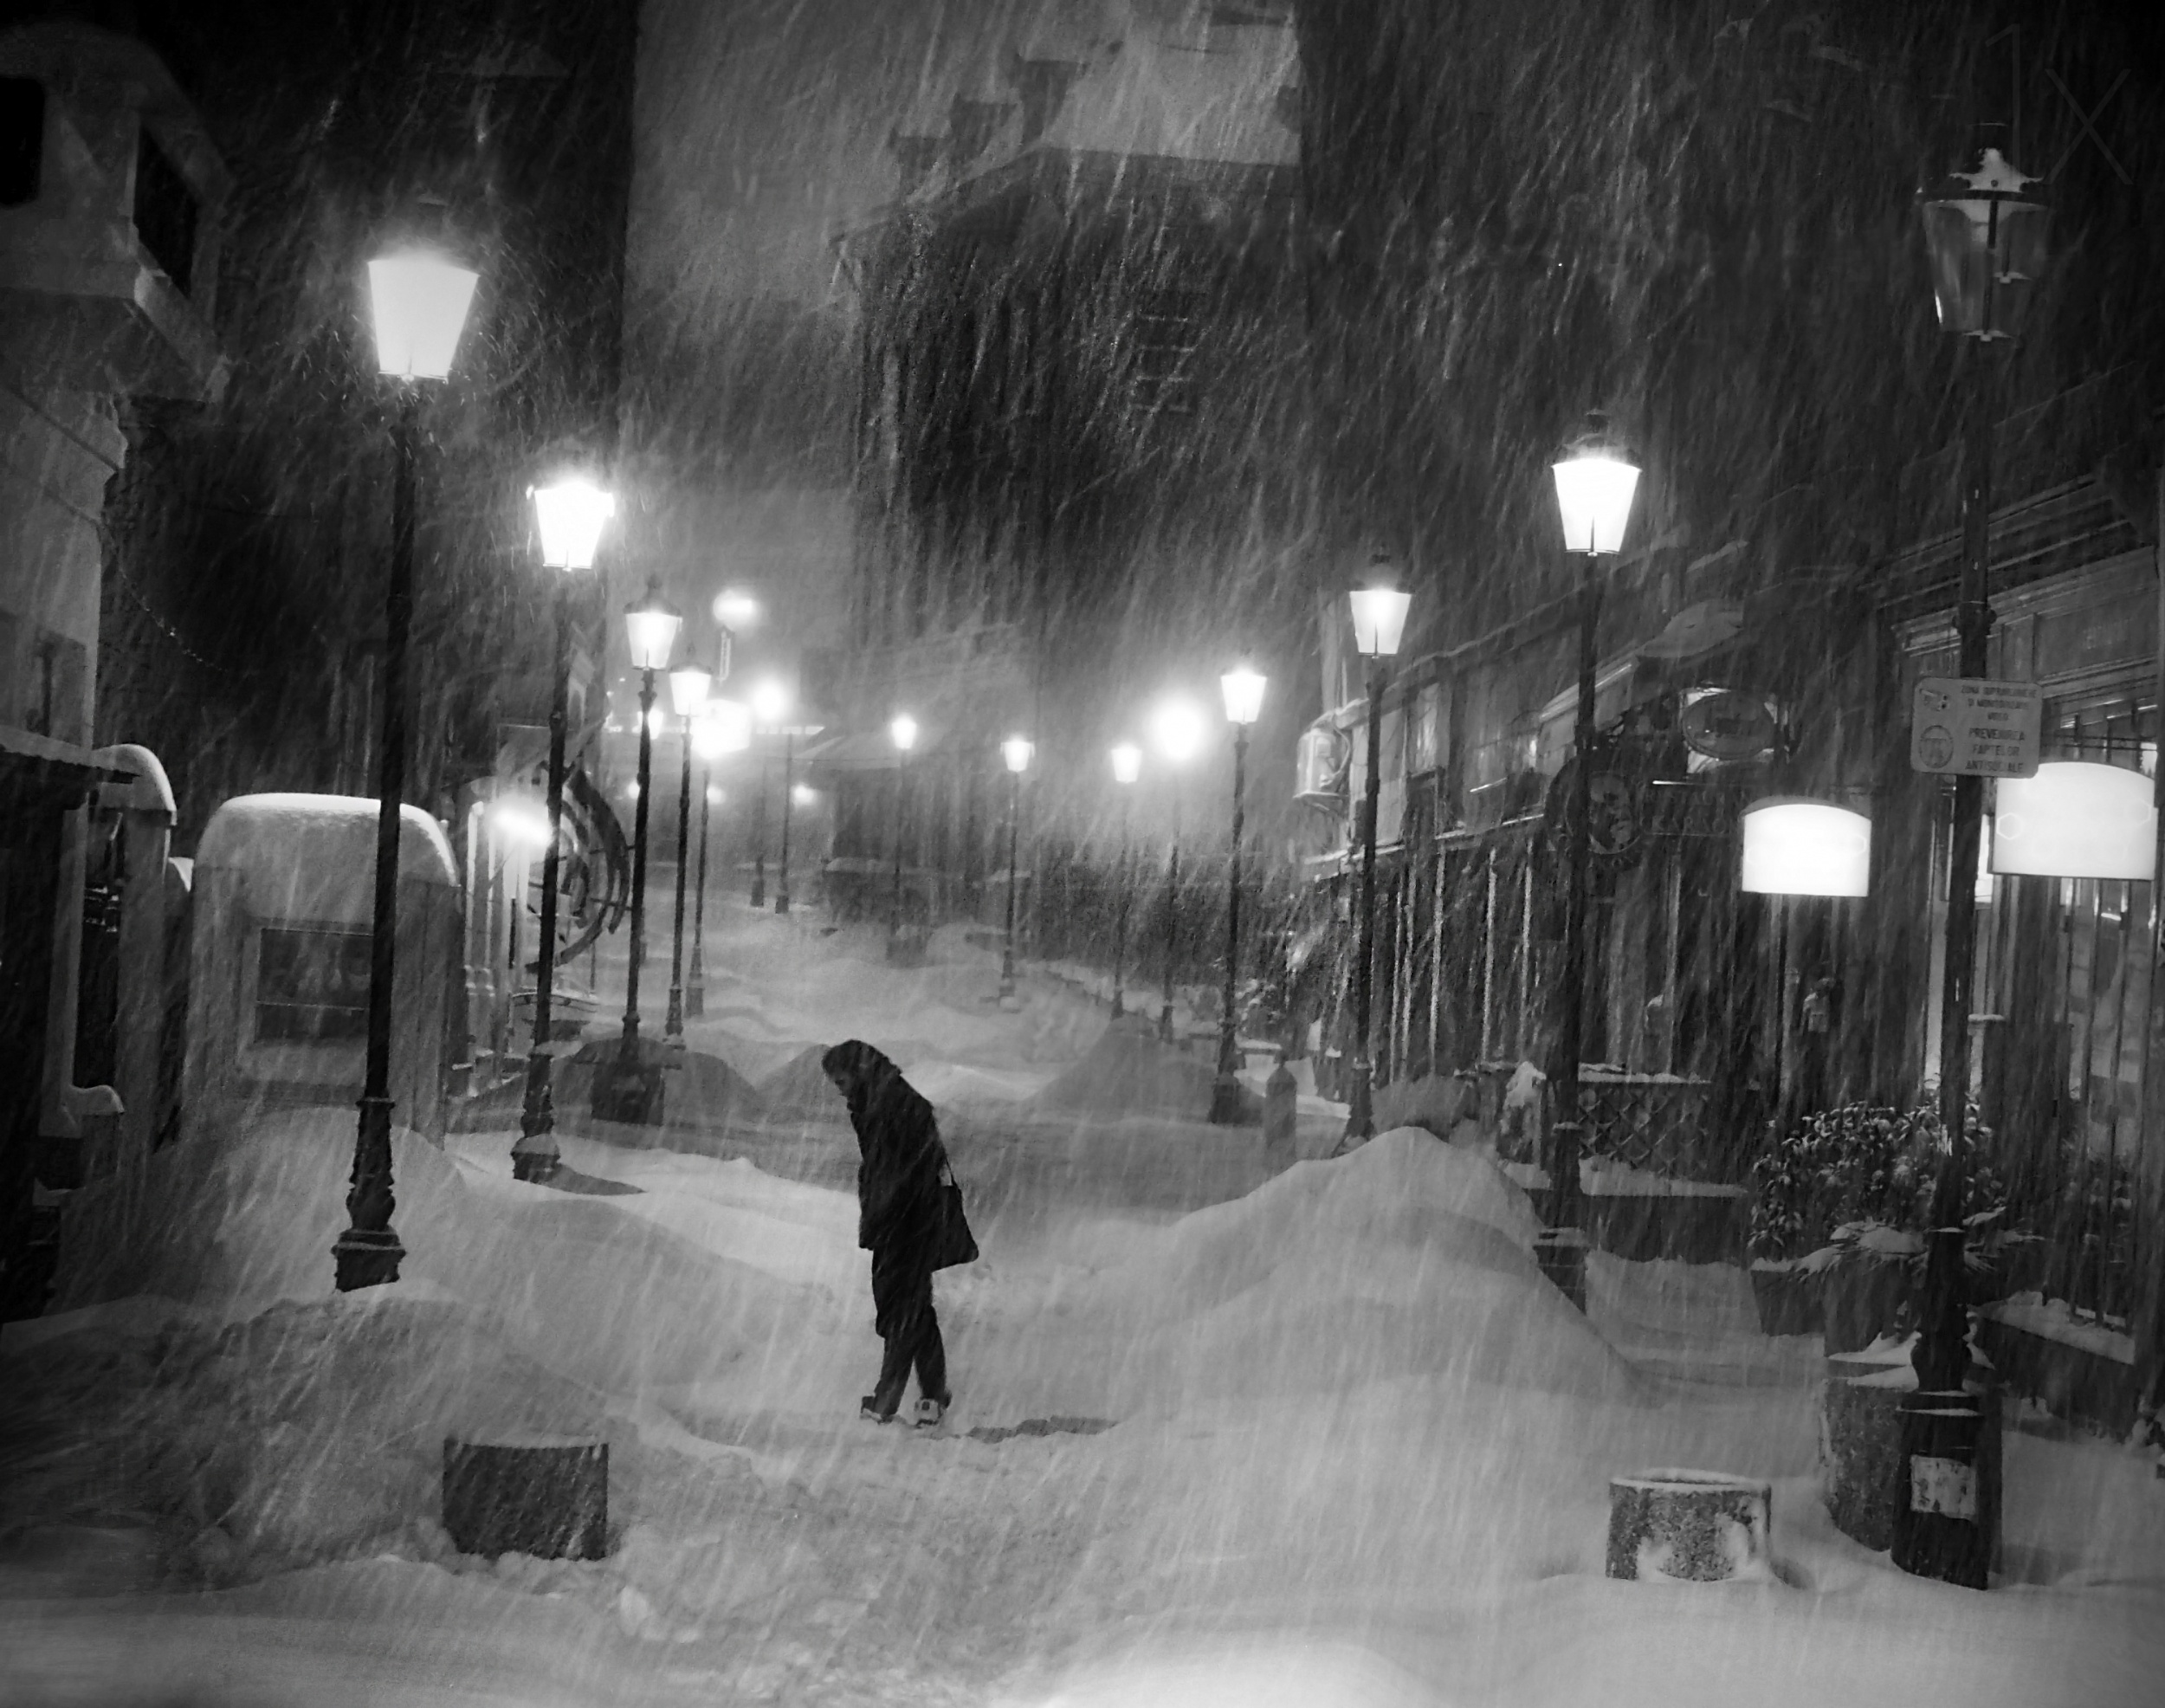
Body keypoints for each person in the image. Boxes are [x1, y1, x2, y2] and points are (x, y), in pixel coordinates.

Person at [821, 1039, 971, 1426]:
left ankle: (888, 1397)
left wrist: (891, 1209)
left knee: (900, 1308)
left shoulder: (893, 1104)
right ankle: (932, 1396)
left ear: (859, 1072)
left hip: (906, 1222)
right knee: (913, 1308)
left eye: (842, 1082)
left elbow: (908, 1167)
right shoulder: (881, 1100)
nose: (840, 1091)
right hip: (901, 1219)